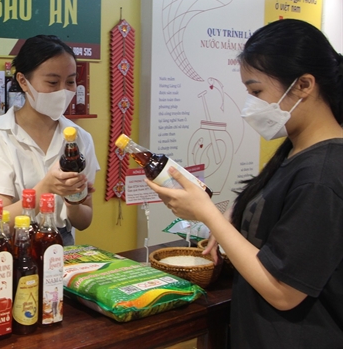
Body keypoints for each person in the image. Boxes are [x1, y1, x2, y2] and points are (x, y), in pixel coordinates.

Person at [145, 19, 343, 348]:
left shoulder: (324, 175)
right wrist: (225, 220)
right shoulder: (295, 152)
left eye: (257, 92)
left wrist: (208, 214)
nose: (251, 105)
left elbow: (284, 292)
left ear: (304, 85)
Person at [0, 35, 100, 245]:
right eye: (52, 82)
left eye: (70, 81)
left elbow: (84, 221)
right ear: (23, 81)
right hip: (12, 245)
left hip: (61, 242)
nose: (63, 90)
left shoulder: (80, 138)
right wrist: (46, 188)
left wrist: (73, 201)